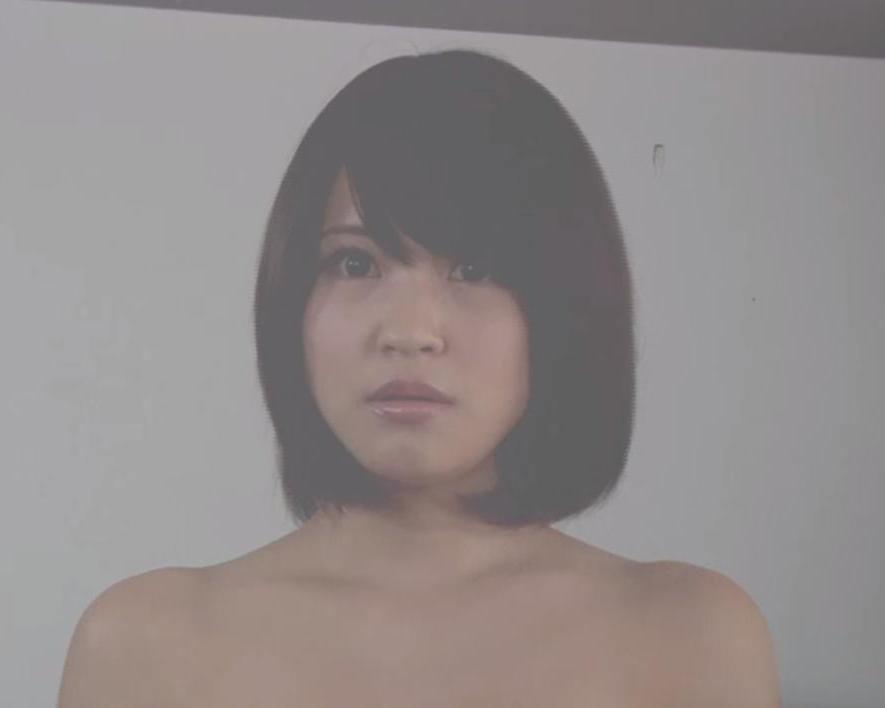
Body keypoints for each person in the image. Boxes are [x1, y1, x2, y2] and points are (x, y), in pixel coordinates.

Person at [57, 48, 779, 707]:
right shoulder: (140, 647)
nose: (408, 331)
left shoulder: (692, 636)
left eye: (476, 268)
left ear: (567, 309)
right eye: (355, 263)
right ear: (290, 300)